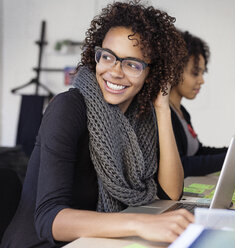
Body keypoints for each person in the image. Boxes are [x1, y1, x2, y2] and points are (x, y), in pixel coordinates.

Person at [1, 2, 194, 247]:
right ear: (97, 57)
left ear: (151, 74)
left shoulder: (141, 119)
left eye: (132, 64)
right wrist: (138, 223)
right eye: (108, 56)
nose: (114, 71)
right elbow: (49, 219)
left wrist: (162, 108)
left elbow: (170, 193)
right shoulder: (68, 108)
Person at [169, 30, 235, 177]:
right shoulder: (164, 115)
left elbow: (198, 152)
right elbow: (182, 165)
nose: (202, 80)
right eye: (195, 73)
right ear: (173, 70)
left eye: (202, 73)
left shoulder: (181, 112)